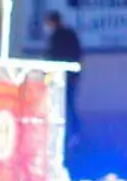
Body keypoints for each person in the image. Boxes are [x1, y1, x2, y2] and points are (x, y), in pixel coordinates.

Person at [45, 10, 83, 141]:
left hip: (61, 75)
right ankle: (74, 132)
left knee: (63, 103)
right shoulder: (69, 34)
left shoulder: (56, 36)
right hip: (71, 75)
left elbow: (52, 56)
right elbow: (78, 53)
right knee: (69, 103)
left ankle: (67, 131)